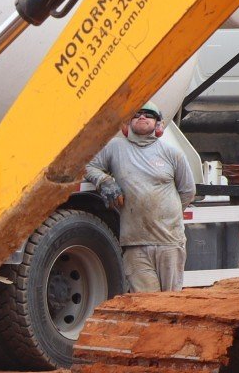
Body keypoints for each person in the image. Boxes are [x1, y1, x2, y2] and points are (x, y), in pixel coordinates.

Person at [85, 105, 198, 293]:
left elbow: (188, 191)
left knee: (171, 302)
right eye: (135, 114)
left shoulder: (172, 154)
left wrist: (167, 215)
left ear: (159, 124)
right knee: (146, 303)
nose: (142, 117)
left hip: (169, 242)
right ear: (127, 123)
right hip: (134, 243)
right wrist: (104, 181)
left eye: (149, 115)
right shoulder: (115, 147)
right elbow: (89, 167)